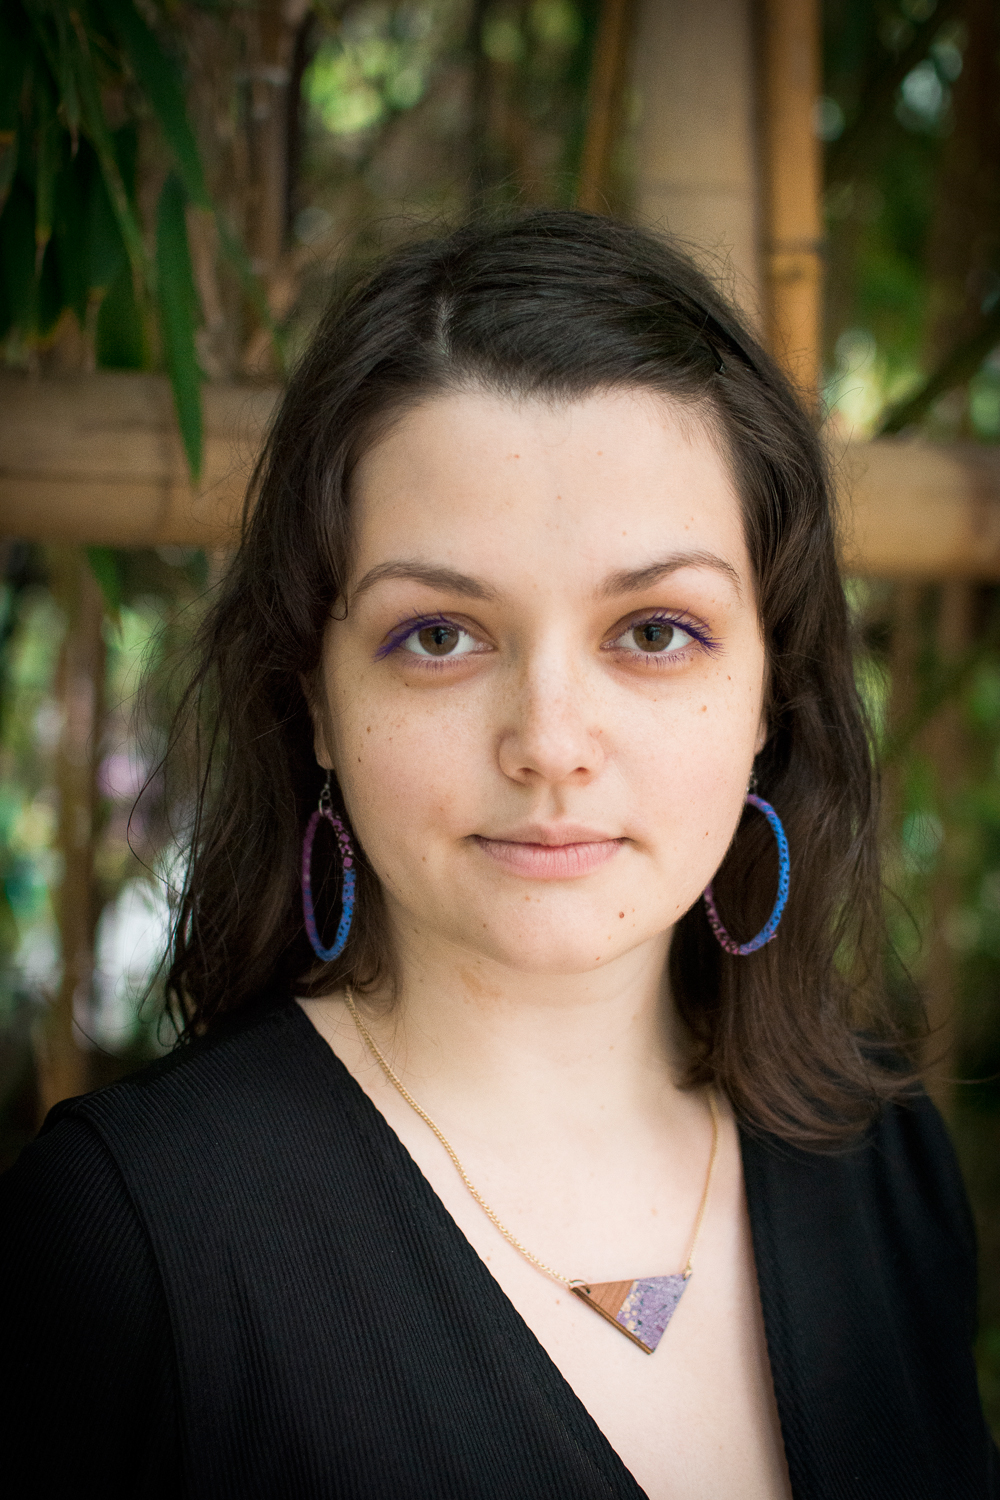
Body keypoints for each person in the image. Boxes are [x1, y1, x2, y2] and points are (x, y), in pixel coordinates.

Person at [1, 211, 996, 1500]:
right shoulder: (127, 1242)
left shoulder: (883, 1163)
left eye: (654, 631)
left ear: (770, 690)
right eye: (439, 635)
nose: (550, 744)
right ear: (316, 699)